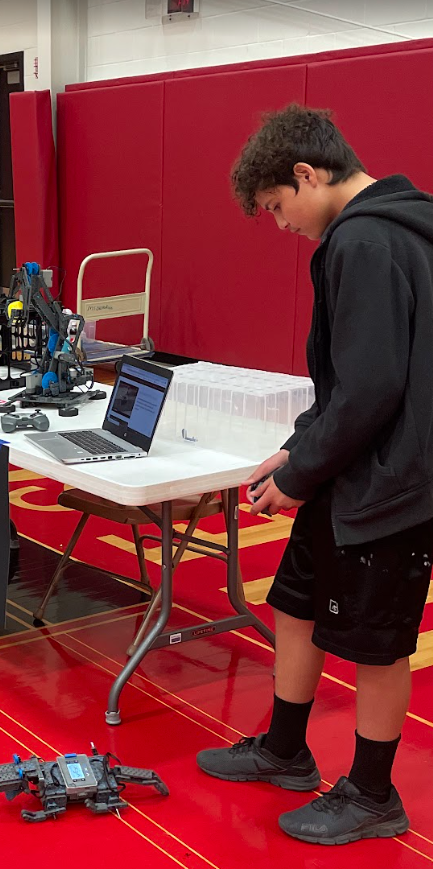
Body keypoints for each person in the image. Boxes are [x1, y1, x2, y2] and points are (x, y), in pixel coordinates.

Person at [196, 105, 433, 845]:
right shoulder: (399, 226)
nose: (280, 224)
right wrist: (298, 450)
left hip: (394, 478)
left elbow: (370, 388)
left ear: (306, 174)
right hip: (354, 463)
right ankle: (286, 748)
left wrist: (300, 477)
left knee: (375, 639)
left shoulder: (363, 241)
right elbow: (346, 384)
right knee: (297, 601)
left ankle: (371, 792)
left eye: (276, 207)